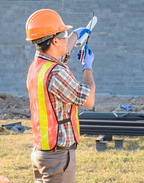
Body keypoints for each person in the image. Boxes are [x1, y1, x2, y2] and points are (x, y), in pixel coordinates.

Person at [25, 9, 95, 182]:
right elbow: (89, 100)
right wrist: (87, 66)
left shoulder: (38, 66)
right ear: (55, 40)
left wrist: (74, 35)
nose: (66, 38)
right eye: (63, 34)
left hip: (42, 153)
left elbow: (58, 55)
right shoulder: (56, 74)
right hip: (58, 156)